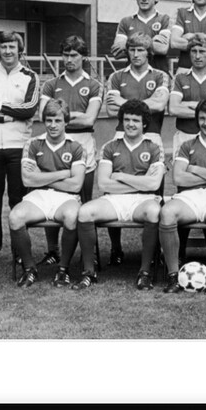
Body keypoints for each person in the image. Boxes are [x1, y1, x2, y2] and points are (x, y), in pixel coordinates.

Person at [74, 100, 165, 291]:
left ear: (144, 124)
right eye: (127, 120)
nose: (130, 124)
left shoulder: (153, 147)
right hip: (114, 199)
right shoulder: (110, 146)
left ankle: (145, 272)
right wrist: (140, 182)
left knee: (154, 212)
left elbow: (154, 185)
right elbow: (105, 183)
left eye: (135, 120)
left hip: (144, 200)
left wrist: (122, 176)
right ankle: (89, 272)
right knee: (84, 212)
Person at [158, 99, 206, 295]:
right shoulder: (187, 145)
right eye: (202, 118)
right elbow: (178, 176)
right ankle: (173, 276)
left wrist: (193, 169)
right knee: (167, 213)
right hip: (189, 197)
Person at [104, 32, 170, 265]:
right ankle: (116, 248)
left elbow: (160, 104)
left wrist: (126, 106)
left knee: (155, 192)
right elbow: (112, 110)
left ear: (148, 52)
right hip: (122, 135)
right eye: (132, 49)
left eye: (141, 50)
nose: (136, 54)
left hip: (152, 135)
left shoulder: (161, 75)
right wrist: (144, 106)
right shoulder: (116, 76)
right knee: (115, 187)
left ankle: (154, 250)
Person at [37, 35, 103, 265]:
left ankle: (88, 253)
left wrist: (61, 116)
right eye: (65, 54)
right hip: (53, 146)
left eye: (74, 55)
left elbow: (90, 119)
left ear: (83, 56)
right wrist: (74, 116)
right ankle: (53, 251)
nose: (69, 59)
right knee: (51, 198)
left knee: (84, 202)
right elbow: (43, 116)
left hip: (83, 146)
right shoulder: (51, 84)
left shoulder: (93, 84)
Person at [8, 100, 86, 288]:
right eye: (49, 120)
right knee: (15, 217)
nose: (52, 125)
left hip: (67, 197)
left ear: (66, 122)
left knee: (72, 216)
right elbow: (27, 180)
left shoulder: (76, 146)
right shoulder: (33, 144)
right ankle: (29, 269)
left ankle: (63, 269)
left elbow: (76, 185)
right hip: (38, 196)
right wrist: (62, 173)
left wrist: (41, 176)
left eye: (57, 120)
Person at [168, 33, 206, 265]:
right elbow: (174, 107)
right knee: (184, 189)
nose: (197, 56)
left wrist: (192, 106)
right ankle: (180, 249)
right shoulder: (180, 77)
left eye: (202, 51)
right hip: (185, 135)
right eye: (193, 51)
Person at [0, 31, 40, 265]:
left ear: (20, 50)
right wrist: (5, 116)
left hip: (19, 147)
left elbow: (29, 109)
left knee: (18, 200)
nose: (8, 51)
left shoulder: (30, 76)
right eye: (4, 47)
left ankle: (20, 252)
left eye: (12, 47)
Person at [111, 0, 171, 73]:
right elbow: (117, 53)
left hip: (158, 74)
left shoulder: (164, 19)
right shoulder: (125, 21)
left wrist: (128, 45)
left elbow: (163, 49)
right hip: (132, 75)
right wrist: (153, 42)